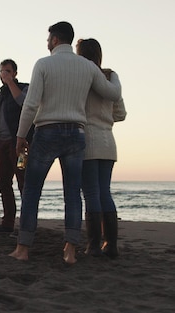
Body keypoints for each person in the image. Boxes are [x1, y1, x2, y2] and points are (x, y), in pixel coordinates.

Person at [9, 21, 122, 264]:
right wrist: (115, 78)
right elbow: (113, 94)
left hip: (47, 131)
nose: (47, 43)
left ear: (55, 40)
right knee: (72, 194)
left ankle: (23, 249)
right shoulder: (87, 67)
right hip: (77, 134)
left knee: (31, 191)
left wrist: (20, 135)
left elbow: (30, 104)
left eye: (48, 39)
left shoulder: (44, 64)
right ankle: (70, 251)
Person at [76, 38, 127, 258]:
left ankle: (94, 244)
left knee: (91, 193)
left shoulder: (82, 78)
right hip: (108, 140)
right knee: (105, 192)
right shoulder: (110, 80)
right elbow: (121, 114)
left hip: (88, 139)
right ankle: (111, 244)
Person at [0, 59, 30, 235]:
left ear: (15, 73)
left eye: (7, 71)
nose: (3, 74)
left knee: (23, 182)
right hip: (2, 144)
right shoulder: (1, 95)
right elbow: (1, 120)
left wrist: (10, 83)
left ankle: (26, 224)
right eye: (2, 71)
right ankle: (7, 223)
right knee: (3, 183)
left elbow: (24, 104)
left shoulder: (24, 88)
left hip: (19, 145)